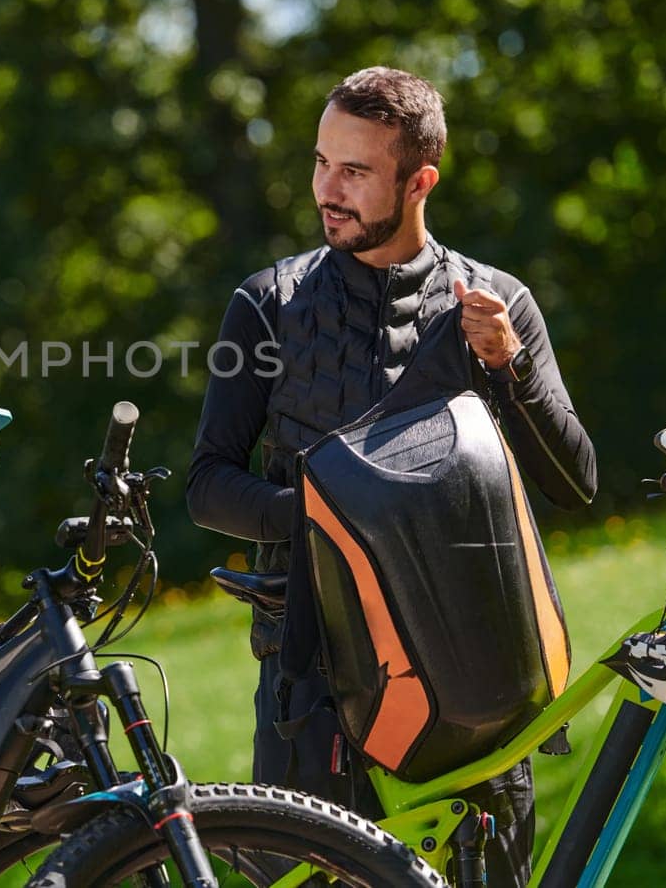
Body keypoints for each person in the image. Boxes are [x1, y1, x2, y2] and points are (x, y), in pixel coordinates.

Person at [186, 66, 596, 886]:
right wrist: (328, 521)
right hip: (316, 692)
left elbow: (574, 481)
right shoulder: (266, 304)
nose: (327, 190)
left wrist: (507, 369)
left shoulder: (497, 305)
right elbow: (207, 483)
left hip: (473, 678)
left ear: (420, 181)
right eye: (321, 162)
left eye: (356, 171)